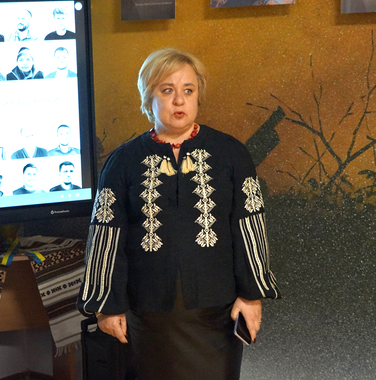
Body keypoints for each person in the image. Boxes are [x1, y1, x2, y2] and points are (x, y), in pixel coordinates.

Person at [77, 48, 280, 380]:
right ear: (149, 97)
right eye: (167, 90)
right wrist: (105, 306)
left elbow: (249, 226)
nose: (179, 100)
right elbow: (106, 235)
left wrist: (251, 295)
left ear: (198, 95)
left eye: (188, 90)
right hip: (149, 316)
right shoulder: (123, 161)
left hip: (217, 315)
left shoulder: (231, 153)